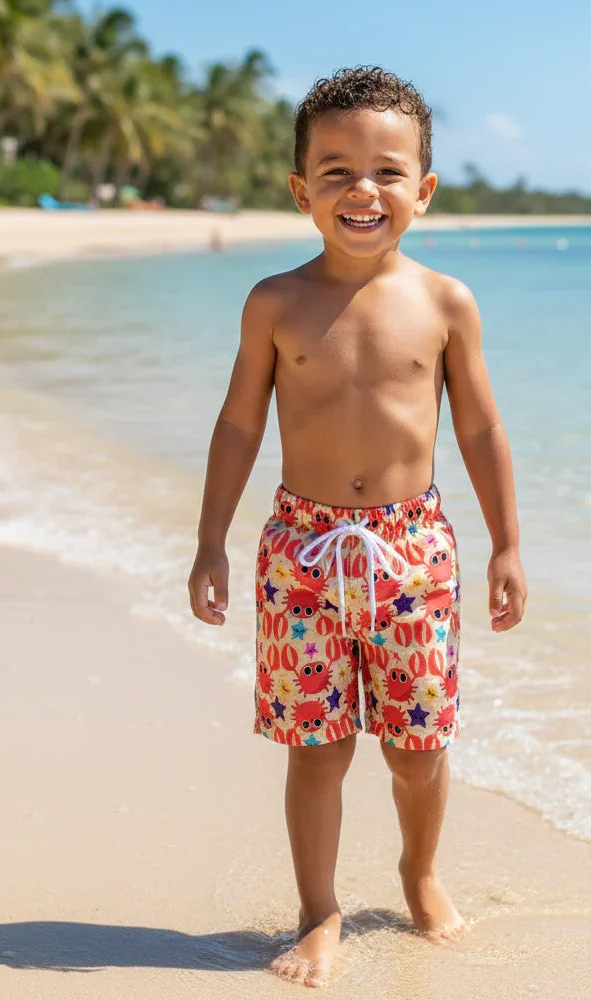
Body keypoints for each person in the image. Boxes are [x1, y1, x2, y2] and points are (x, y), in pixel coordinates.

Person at [188, 66, 526, 988]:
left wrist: (507, 544)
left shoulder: (448, 303)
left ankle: (420, 874)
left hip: (414, 551)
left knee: (419, 746)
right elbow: (238, 425)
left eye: (386, 172)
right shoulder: (274, 302)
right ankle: (320, 910)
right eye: (335, 172)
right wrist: (211, 538)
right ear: (302, 193)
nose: (361, 191)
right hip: (300, 551)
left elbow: (481, 427)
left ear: (423, 189)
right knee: (318, 746)